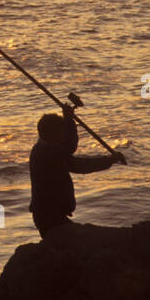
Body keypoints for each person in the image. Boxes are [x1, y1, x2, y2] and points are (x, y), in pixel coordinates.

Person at [28, 101, 124, 238]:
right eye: (61, 133)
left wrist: (108, 160)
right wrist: (69, 120)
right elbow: (70, 146)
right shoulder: (45, 152)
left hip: (52, 215)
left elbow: (79, 165)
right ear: (52, 134)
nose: (62, 137)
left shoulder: (49, 151)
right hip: (48, 216)